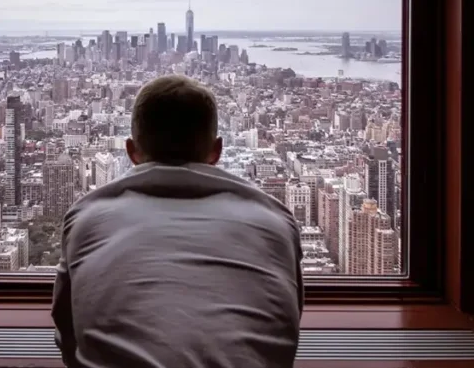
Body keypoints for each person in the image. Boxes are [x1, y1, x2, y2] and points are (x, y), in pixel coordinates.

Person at [52, 75, 304, 368]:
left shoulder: (87, 218)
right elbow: (288, 323)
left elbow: (66, 332)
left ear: (131, 151)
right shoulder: (275, 222)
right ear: (216, 151)